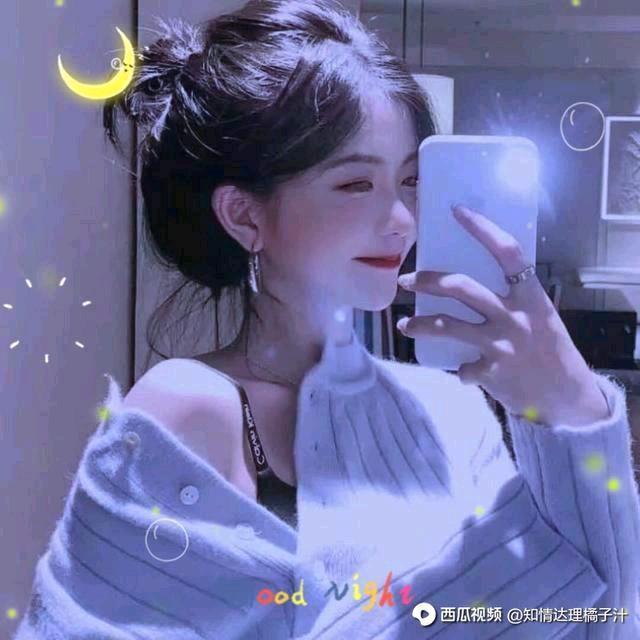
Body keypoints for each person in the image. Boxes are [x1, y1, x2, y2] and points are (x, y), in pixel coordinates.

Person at [15, 1, 640, 638]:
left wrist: (571, 404)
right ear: (244, 215)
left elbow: (597, 624)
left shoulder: (449, 410)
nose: (401, 220)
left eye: (411, 181)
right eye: (355, 184)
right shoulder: (190, 408)